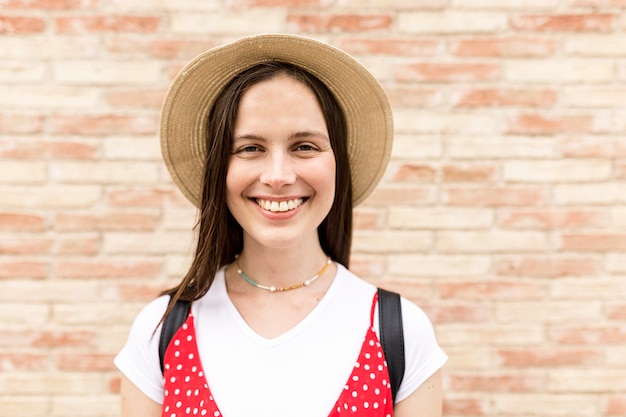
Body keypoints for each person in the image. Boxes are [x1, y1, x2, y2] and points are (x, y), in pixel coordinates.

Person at [114, 34, 447, 417]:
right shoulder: (162, 328)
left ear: (338, 163)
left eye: (304, 146)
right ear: (219, 170)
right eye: (249, 148)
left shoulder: (401, 331)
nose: (277, 176)